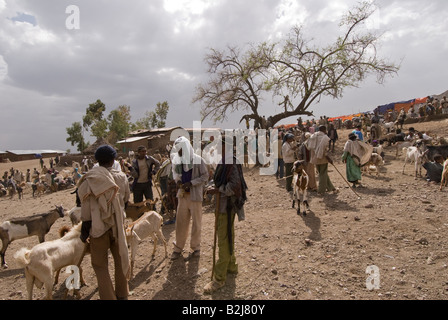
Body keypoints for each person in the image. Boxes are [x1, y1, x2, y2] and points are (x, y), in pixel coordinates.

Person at [78, 145, 131, 300]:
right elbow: (126, 200)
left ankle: (108, 297)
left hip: (97, 227)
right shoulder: (121, 177)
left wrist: (85, 230)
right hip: (117, 227)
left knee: (100, 265)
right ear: (113, 160)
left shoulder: (89, 179)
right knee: (120, 258)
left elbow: (85, 209)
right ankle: (122, 294)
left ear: (97, 161)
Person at [204, 137, 248, 294]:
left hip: (226, 207)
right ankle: (231, 266)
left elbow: (234, 186)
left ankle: (219, 278)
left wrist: (218, 190)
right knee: (228, 236)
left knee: (223, 240)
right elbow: (219, 181)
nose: (216, 148)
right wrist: (213, 186)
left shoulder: (230, 162)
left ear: (227, 147)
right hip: (222, 205)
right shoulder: (223, 161)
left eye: (219, 146)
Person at [170, 136, 209, 260]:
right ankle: (178, 248)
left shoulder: (198, 160)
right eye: (178, 149)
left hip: (195, 196)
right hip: (183, 196)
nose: (179, 151)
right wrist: (178, 182)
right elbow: (176, 175)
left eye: (181, 148)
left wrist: (191, 183)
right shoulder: (178, 161)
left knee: (196, 223)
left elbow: (205, 176)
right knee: (181, 222)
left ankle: (195, 248)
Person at [306, 126, 337, 195]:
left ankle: (332, 188)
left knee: (322, 173)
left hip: (315, 158)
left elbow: (309, 146)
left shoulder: (313, 136)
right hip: (323, 158)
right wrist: (329, 158)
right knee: (323, 174)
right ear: (324, 130)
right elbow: (324, 150)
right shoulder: (325, 138)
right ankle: (321, 191)